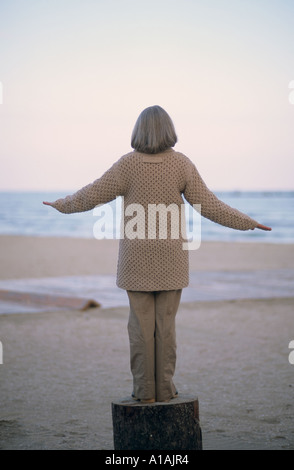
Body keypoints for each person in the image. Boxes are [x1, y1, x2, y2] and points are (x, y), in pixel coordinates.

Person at [43, 105, 271, 403]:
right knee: (166, 328)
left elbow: (91, 195)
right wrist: (248, 222)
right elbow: (211, 206)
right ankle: (165, 389)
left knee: (140, 328)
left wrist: (62, 204)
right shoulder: (182, 164)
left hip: (135, 259)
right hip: (171, 259)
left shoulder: (126, 165)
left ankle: (144, 391)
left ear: (138, 131)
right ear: (168, 131)